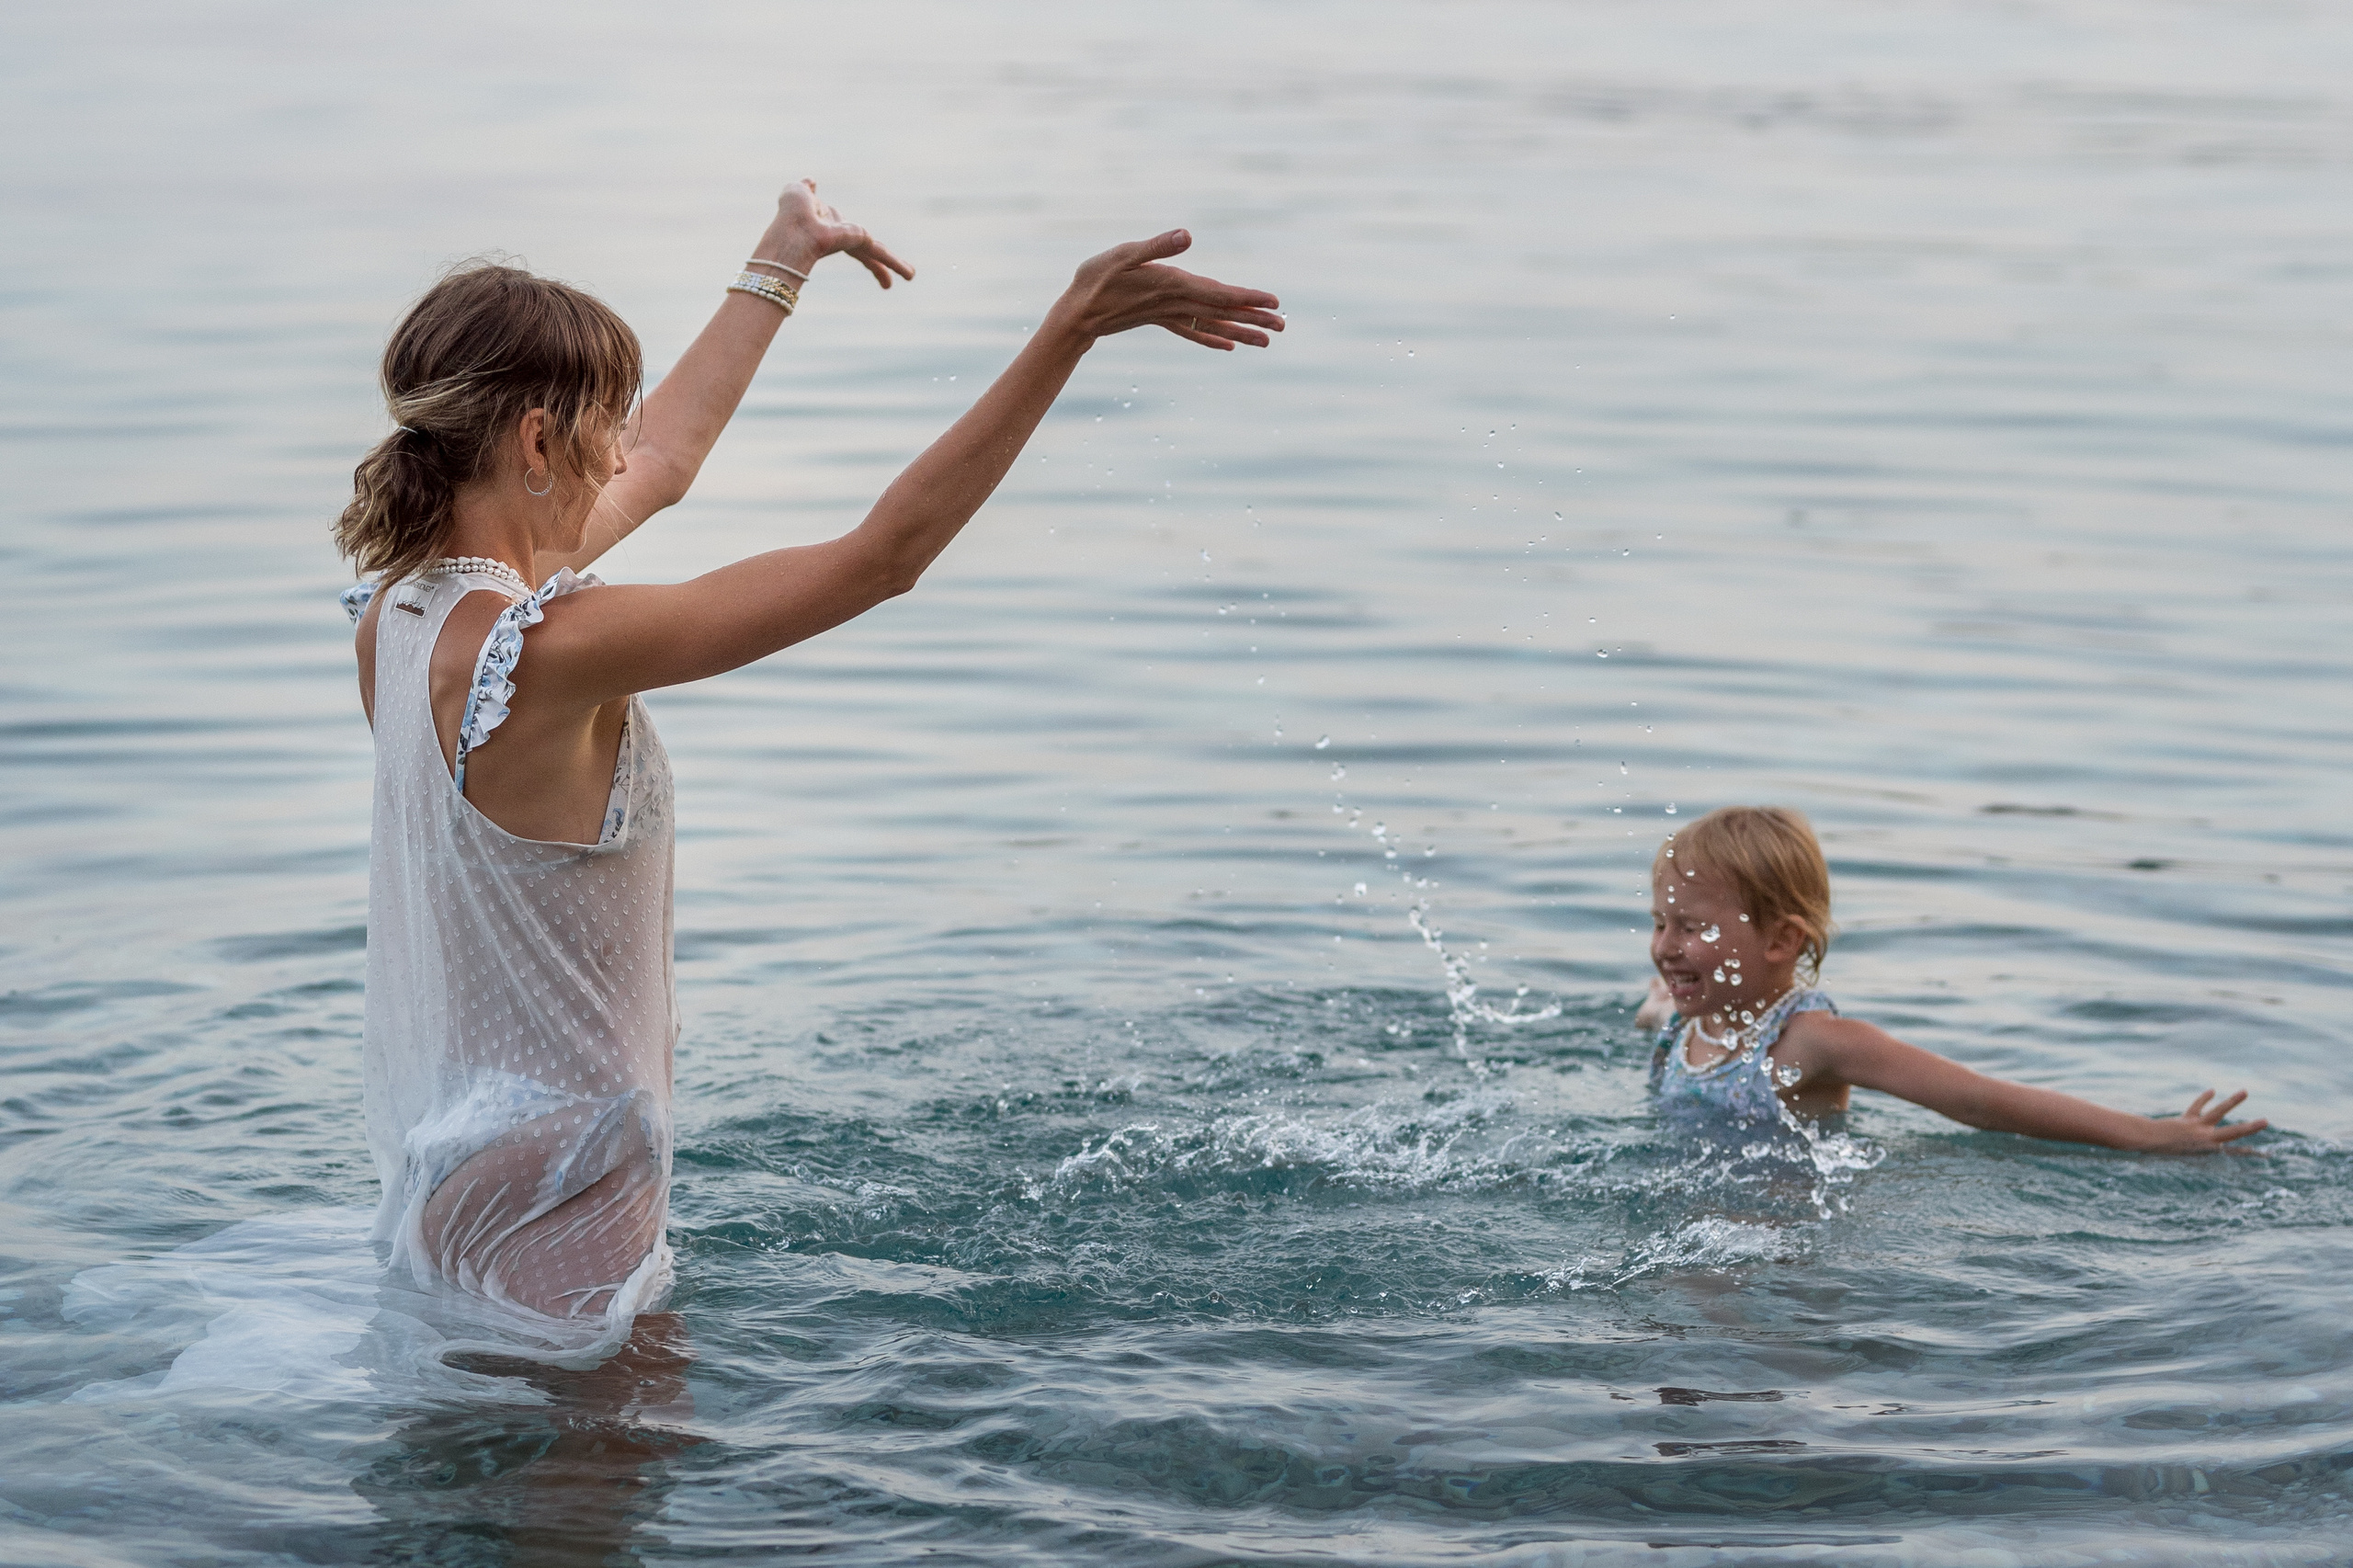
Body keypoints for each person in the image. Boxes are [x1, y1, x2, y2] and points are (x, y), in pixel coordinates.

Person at [335, 178, 1281, 1358]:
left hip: (456, 1177)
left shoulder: (400, 618)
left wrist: (784, 258)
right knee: (601, 1523)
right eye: (601, 425)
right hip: (567, 1201)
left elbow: (669, 458)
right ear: (536, 440)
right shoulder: (552, 652)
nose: (621, 450)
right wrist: (1068, 330)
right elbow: (881, 558)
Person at [1634, 806, 2265, 1153]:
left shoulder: (1812, 1044)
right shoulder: (1689, 1021)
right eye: (1660, 924)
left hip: (1777, 1241)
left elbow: (1976, 1100)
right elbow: (1655, 1010)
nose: (1666, 947)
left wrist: (2151, 1134)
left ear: (1781, 940)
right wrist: (1659, 1003)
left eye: (1692, 929)